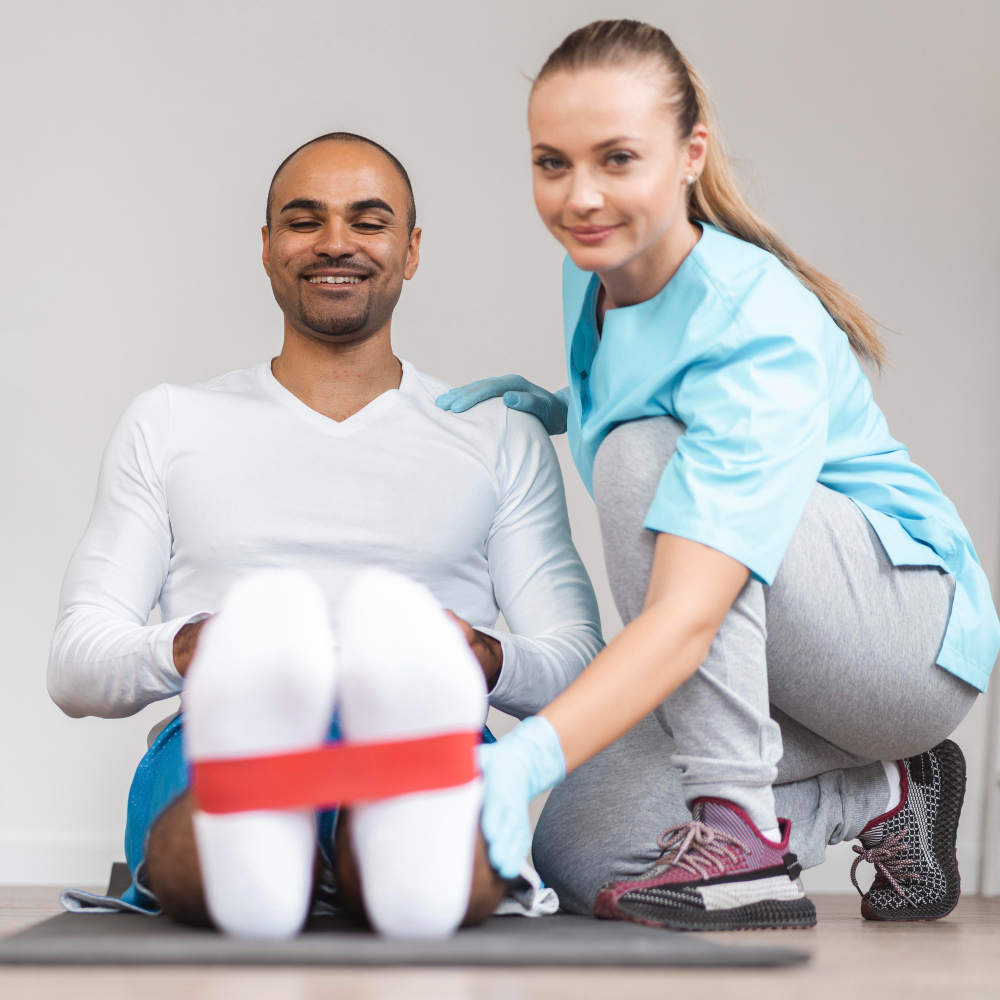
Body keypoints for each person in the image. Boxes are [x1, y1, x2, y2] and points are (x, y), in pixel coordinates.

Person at [438, 19, 999, 930]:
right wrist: (563, 401)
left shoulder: (757, 327)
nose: (580, 196)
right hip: (776, 654)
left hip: (901, 641)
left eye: (617, 159)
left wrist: (524, 756)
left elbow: (687, 611)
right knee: (584, 851)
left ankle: (743, 833)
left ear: (690, 154)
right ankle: (888, 791)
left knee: (640, 456)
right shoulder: (600, 266)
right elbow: (664, 378)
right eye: (552, 163)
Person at [49, 132, 603, 939]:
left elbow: (578, 666)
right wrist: (191, 648)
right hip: (220, 723)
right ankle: (288, 821)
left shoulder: (495, 434)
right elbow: (75, 664)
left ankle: (341, 839)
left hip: (431, 718)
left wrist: (486, 658)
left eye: (367, 221)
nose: (335, 242)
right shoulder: (170, 421)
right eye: (304, 220)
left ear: (411, 251)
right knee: (201, 826)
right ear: (268, 248)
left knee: (441, 835)